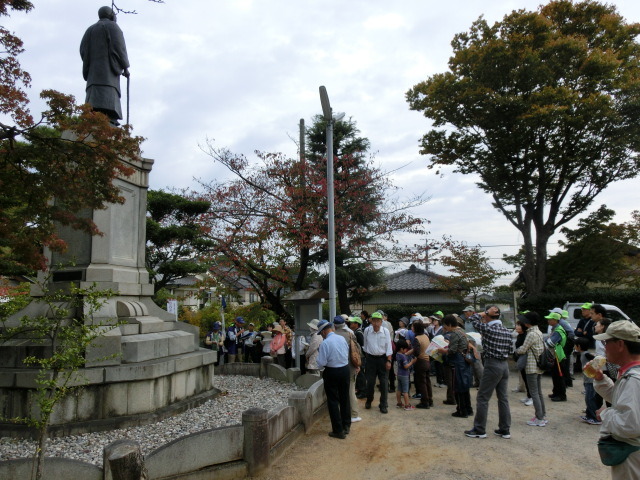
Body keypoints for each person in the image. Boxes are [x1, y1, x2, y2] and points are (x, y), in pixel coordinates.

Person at [592, 321, 640, 479]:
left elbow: (630, 424)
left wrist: (606, 413)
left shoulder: (634, 379)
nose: (604, 347)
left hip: (632, 455)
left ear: (620, 344)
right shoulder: (631, 372)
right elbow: (621, 399)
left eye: (606, 342)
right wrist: (600, 379)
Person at [464, 305, 512, 439]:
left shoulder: (488, 329)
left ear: (487, 317)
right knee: (503, 398)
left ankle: (480, 429)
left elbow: (472, 318)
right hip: (504, 365)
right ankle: (505, 429)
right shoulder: (507, 331)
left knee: (483, 397)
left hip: (492, 364)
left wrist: (485, 312)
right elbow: (511, 351)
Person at [80, 6, 130, 126]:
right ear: (112, 15)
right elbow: (119, 47)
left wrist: (90, 61)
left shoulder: (90, 29)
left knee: (94, 93)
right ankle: (108, 115)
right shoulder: (113, 26)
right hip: (108, 71)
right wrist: (125, 67)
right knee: (108, 90)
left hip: (93, 71)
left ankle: (94, 113)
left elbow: (83, 49)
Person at [316, 319, 351, 439]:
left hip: (332, 371)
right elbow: (347, 352)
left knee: (333, 401)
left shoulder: (325, 343)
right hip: (345, 369)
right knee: (345, 397)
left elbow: (321, 363)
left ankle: (338, 430)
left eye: (321, 333)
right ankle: (346, 425)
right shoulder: (341, 338)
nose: (321, 335)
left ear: (324, 331)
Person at [514, 312, 546, 427]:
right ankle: (542, 415)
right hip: (538, 365)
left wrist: (515, 351)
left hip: (532, 367)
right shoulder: (538, 332)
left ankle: (539, 418)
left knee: (534, 393)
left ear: (528, 323)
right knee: (538, 392)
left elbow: (523, 349)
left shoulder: (531, 334)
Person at [439, 314, 473, 418]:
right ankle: (468, 409)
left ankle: (461, 410)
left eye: (445, 326)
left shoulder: (454, 333)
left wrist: (442, 350)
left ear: (449, 324)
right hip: (465, 362)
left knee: (458, 388)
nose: (445, 328)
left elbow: (452, 351)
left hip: (458, 363)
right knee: (465, 387)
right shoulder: (462, 332)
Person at [332, 315, 361, 423]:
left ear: (334, 325)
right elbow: (356, 351)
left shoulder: (332, 335)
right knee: (350, 391)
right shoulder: (350, 334)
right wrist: (357, 365)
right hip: (349, 367)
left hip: (335, 367)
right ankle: (354, 414)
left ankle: (341, 413)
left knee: (339, 392)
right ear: (345, 323)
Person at [363, 311, 393, 414]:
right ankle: (369, 400)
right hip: (371, 360)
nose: (376, 323)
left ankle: (383, 404)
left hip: (382, 359)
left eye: (378, 321)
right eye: (374, 320)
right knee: (370, 382)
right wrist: (368, 358)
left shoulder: (385, 331)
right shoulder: (367, 331)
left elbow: (389, 347)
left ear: (381, 322)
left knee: (384, 383)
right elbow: (365, 346)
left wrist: (389, 360)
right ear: (371, 321)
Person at [574, 336, 601, 426]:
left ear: (579, 346)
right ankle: (589, 415)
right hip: (587, 380)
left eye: (575, 345)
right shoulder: (583, 353)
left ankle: (594, 418)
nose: (575, 347)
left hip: (590, 380)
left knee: (590, 399)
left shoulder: (586, 354)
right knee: (588, 399)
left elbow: (595, 359)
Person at [545, 312, 568, 402]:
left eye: (550, 319)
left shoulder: (558, 331)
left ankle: (561, 395)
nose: (548, 320)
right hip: (555, 355)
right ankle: (556, 392)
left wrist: (547, 340)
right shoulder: (555, 329)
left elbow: (550, 343)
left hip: (558, 356)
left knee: (559, 376)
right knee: (555, 375)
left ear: (555, 320)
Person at [411, 320, 433, 409]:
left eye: (413, 326)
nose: (411, 328)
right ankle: (430, 400)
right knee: (427, 381)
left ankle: (424, 402)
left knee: (422, 382)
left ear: (416, 328)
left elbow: (416, 352)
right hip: (427, 360)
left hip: (421, 362)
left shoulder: (417, 338)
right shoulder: (426, 336)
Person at [395, 339, 417, 410]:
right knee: (405, 391)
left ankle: (399, 403)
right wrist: (412, 362)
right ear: (401, 349)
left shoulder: (397, 354)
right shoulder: (403, 357)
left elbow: (406, 353)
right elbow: (406, 366)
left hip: (399, 374)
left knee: (399, 389)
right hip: (404, 375)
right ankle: (407, 405)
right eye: (405, 349)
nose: (406, 350)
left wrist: (412, 350)